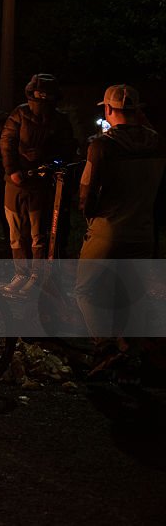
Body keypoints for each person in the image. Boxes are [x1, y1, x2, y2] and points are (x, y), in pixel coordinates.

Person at [73, 85, 166, 378]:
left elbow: (87, 195)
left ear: (108, 110)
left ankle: (105, 346)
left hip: (109, 229)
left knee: (85, 288)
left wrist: (88, 213)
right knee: (132, 291)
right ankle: (131, 348)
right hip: (144, 229)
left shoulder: (103, 145)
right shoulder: (158, 142)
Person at [0, 74, 76, 292]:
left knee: (38, 232)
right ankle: (20, 273)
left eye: (47, 94)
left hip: (41, 185)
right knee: (17, 231)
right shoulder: (19, 114)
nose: (42, 98)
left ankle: (37, 275)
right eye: (38, 93)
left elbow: (67, 148)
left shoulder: (60, 120)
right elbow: (7, 141)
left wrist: (50, 165)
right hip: (15, 184)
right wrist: (12, 170)